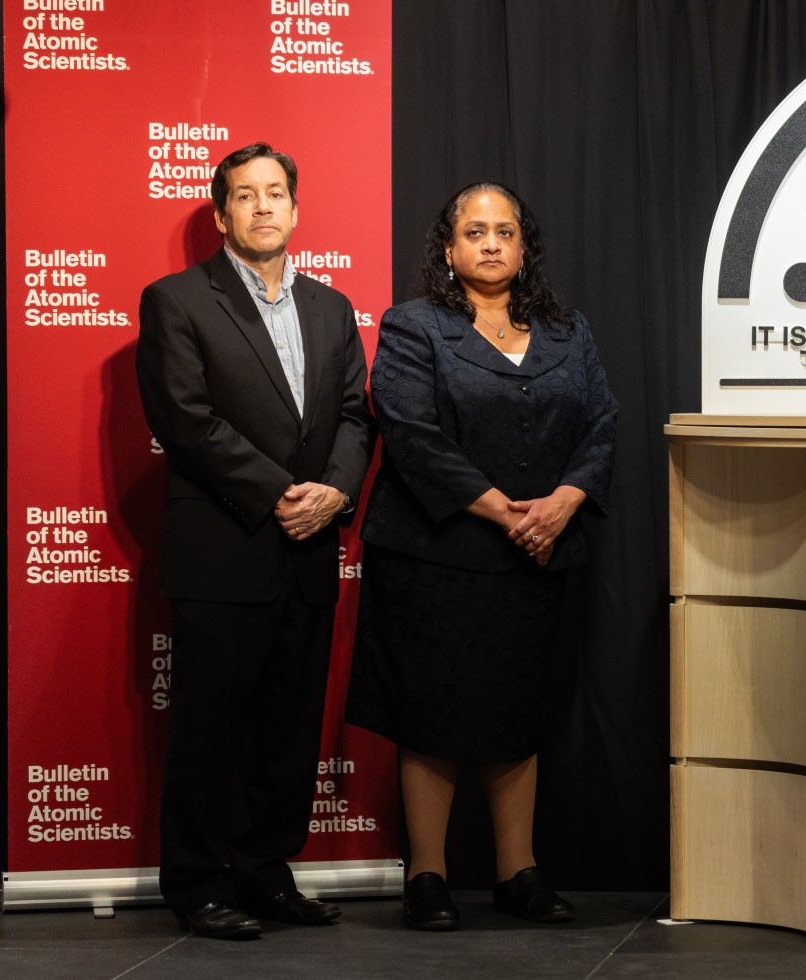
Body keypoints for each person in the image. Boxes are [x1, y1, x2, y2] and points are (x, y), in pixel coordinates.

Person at [346, 181, 617, 932]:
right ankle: (426, 876)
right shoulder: (412, 326)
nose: (491, 243)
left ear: (524, 248)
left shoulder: (569, 332)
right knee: (431, 715)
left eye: (504, 231)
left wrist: (564, 499)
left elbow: (603, 422)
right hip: (437, 555)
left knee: (518, 714)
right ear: (448, 248)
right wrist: (505, 511)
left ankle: (517, 872)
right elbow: (410, 431)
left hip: (537, 556)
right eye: (474, 231)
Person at [136, 142, 374, 940]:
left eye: (277, 193)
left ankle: (267, 875)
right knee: (208, 732)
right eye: (247, 195)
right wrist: (282, 495)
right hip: (224, 549)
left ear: (297, 210)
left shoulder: (332, 308)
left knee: (287, 730)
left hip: (308, 553)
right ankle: (199, 885)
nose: (265, 206)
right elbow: (184, 418)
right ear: (221, 213)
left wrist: (334, 494)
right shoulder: (176, 299)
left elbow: (353, 415)